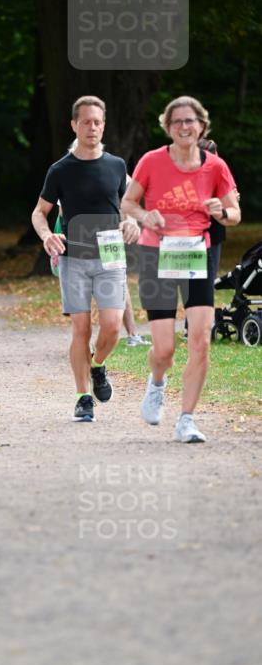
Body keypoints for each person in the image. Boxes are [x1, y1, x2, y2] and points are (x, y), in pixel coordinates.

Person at [122, 95, 240, 443]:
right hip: (156, 254)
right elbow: (127, 202)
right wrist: (145, 216)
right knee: (164, 349)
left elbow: (234, 214)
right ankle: (157, 382)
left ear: (202, 125)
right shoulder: (151, 161)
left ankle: (187, 419)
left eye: (190, 121)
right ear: (168, 127)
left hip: (197, 255)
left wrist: (222, 212)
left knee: (201, 339)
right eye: (177, 122)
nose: (184, 127)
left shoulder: (215, 166)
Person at [32, 96, 140, 422]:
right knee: (80, 330)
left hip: (110, 256)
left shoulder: (117, 165)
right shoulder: (60, 169)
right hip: (73, 259)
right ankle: (82, 397)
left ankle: (97, 365)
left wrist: (132, 221)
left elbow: (131, 205)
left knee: (111, 328)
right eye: (86, 121)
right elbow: (40, 212)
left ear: (103, 125)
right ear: (74, 125)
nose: (92, 127)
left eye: (98, 122)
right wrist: (46, 235)